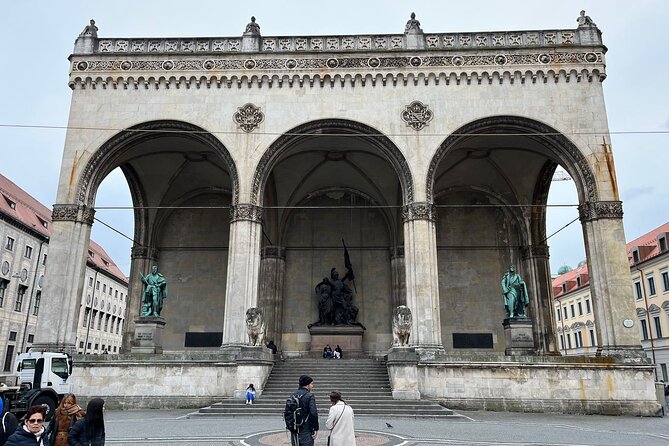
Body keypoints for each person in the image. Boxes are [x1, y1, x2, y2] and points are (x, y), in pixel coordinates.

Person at [288, 375, 319, 446]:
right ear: (307, 385)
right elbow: (313, 412)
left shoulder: (293, 395)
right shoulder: (309, 396)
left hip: (294, 427)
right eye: (311, 384)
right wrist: (316, 428)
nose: (312, 386)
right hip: (306, 427)